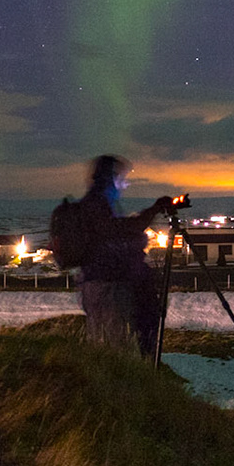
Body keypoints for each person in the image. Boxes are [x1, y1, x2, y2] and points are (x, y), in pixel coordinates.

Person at [74, 154, 175, 359]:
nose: (126, 184)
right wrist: (152, 212)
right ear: (110, 178)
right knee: (118, 352)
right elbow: (118, 232)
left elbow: (118, 233)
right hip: (108, 288)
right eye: (122, 178)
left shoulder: (100, 204)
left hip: (105, 285)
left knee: (119, 348)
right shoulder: (96, 204)